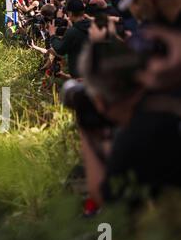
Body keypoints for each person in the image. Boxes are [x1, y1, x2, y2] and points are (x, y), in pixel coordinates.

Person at [77, 41, 181, 206]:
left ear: (99, 101)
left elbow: (103, 195)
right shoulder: (166, 99)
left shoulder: (135, 136)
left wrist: (86, 129)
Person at [49, 0, 91, 78]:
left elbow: (60, 49)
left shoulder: (72, 32)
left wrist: (52, 35)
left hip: (79, 74)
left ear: (70, 13)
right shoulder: (93, 26)